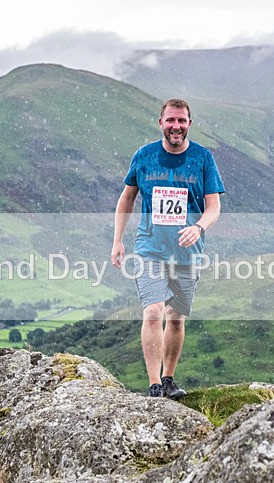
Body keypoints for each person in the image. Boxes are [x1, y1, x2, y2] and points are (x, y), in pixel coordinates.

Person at [111, 98, 225, 399]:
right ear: (161, 123)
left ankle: (169, 379)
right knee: (152, 312)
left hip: (188, 252)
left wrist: (198, 226)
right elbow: (127, 198)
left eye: (182, 121)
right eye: (171, 120)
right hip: (149, 248)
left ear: (189, 124)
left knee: (175, 317)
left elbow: (214, 206)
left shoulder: (203, 158)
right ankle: (154, 385)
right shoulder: (144, 156)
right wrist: (118, 240)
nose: (176, 126)